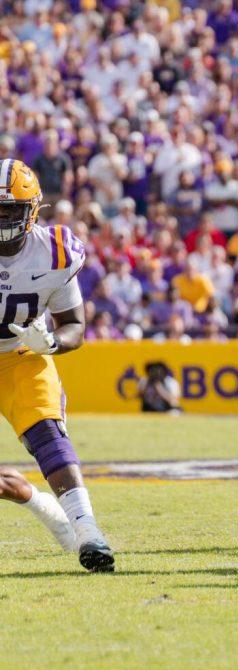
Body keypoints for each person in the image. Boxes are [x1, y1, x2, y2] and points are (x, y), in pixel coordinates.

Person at [0, 159, 115, 571]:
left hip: (21, 356)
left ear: (32, 210)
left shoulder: (54, 251)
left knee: (47, 435)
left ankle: (88, 532)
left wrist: (50, 341)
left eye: (8, 210)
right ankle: (46, 509)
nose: (0, 219)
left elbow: (75, 327)